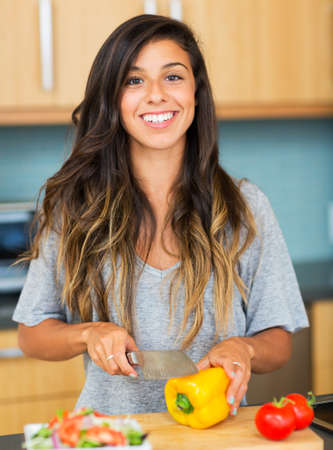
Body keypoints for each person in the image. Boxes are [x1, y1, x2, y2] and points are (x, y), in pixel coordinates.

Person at [13, 14, 308, 417]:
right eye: (134, 80)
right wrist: (89, 333)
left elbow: (277, 340)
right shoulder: (76, 207)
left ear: (196, 92)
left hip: (215, 438)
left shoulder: (245, 207)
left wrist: (245, 347)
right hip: (112, 436)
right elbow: (32, 335)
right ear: (113, 99)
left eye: (173, 77)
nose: (156, 95)